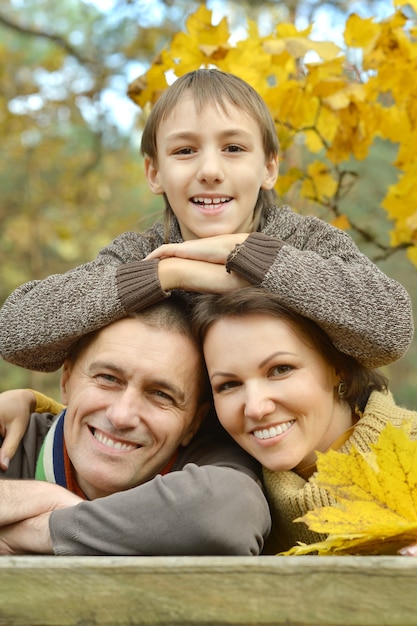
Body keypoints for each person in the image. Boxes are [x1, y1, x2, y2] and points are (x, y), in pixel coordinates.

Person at [0, 69, 413, 380]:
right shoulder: (142, 254)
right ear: (154, 173)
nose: (210, 170)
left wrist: (247, 258)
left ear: (269, 167)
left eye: (233, 148)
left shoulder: (306, 241)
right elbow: (17, 332)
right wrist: (167, 273)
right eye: (185, 150)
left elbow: (390, 327)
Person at [0, 297, 270, 556]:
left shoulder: (207, 467)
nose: (122, 416)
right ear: (66, 381)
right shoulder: (8, 438)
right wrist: (41, 494)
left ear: (194, 423)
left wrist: (47, 527)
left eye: (161, 394)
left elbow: (234, 509)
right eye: (108, 378)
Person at [191, 286, 417, 554]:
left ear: (338, 367)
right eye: (228, 385)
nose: (255, 408)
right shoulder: (233, 499)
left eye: (280, 370)